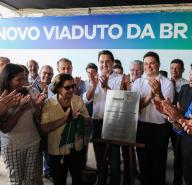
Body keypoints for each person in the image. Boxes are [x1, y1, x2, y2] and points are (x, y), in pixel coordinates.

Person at [131, 51, 174, 185]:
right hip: (141, 127)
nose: (149, 66)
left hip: (160, 129)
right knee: (143, 164)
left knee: (158, 165)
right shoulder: (137, 83)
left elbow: (167, 111)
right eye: (146, 64)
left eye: (152, 63)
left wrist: (158, 93)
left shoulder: (167, 83)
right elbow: (135, 106)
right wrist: (150, 95)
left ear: (159, 65)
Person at [41, 73, 90, 185]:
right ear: (58, 88)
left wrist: (80, 118)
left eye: (73, 86)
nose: (71, 90)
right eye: (67, 87)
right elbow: (45, 128)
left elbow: (87, 122)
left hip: (76, 149)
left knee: (78, 180)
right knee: (59, 180)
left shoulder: (78, 100)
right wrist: (65, 119)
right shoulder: (48, 103)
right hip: (56, 151)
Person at [0, 63, 45, 185]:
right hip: (12, 144)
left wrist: (37, 107)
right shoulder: (3, 98)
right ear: (7, 80)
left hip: (33, 141)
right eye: (18, 79)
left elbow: (37, 117)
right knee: (16, 180)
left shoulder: (31, 91)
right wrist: (20, 109)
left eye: (24, 78)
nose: (23, 82)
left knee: (30, 179)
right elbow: (5, 129)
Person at [83, 50, 123, 185]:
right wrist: (93, 86)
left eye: (107, 61)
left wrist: (106, 87)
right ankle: (101, 181)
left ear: (112, 63)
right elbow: (86, 100)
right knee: (100, 159)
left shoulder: (120, 78)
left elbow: (119, 100)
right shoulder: (93, 77)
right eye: (101, 62)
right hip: (97, 122)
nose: (104, 64)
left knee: (114, 159)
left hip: (114, 123)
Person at [170, 59, 189, 185]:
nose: (174, 70)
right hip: (165, 122)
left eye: (177, 68)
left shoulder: (188, 85)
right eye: (172, 68)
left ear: (183, 70)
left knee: (178, 152)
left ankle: (177, 179)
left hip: (179, 123)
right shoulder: (166, 83)